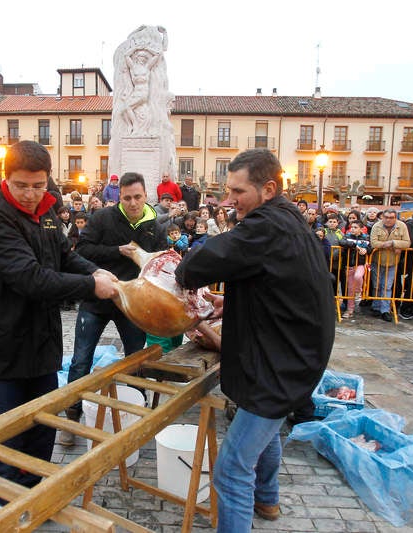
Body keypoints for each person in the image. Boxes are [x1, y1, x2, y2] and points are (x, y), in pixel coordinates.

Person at [174, 149, 334, 530]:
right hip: (293, 353)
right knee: (266, 431)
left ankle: (252, 506)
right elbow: (279, 284)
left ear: (268, 189)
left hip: (282, 363)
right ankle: (267, 499)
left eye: (238, 191)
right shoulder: (287, 218)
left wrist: (180, 270)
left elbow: (201, 263)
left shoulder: (266, 225)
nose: (229, 200)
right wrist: (232, 302)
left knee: (231, 468)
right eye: (227, 190)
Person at [0, 141, 117, 503]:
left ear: (48, 180)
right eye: (21, 185)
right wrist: (92, 286)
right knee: (5, 439)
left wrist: (96, 271)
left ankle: (35, 501)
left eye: (38, 185)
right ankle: (4, 511)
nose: (30, 194)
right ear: (5, 178)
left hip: (38, 344)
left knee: (42, 428)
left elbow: (64, 255)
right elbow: (29, 278)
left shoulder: (46, 212)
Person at [61, 171, 167, 445]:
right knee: (81, 359)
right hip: (96, 300)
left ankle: (136, 414)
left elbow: (160, 263)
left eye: (137, 197)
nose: (132, 203)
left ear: (146, 196)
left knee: (136, 359)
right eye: (127, 198)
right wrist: (117, 250)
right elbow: (82, 250)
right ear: (119, 196)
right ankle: (71, 417)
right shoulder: (102, 218)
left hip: (132, 304)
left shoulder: (155, 226)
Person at [369, 208, 410, 322]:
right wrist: (388, 245)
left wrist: (393, 243)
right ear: (383, 217)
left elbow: (407, 243)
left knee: (387, 286)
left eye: (391, 218)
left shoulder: (402, 226)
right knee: (376, 285)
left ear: (395, 218)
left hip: (393, 262)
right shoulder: (376, 226)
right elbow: (374, 243)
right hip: (377, 260)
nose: (388, 220)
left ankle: (385, 310)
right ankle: (376, 306)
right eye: (386, 217)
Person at [340, 220, 371, 319]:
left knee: (358, 276)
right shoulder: (347, 236)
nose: (352, 229)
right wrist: (354, 245)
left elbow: (371, 247)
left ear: (361, 229)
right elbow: (342, 242)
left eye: (355, 227)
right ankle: (350, 310)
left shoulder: (366, 237)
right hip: (349, 265)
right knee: (350, 289)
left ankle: (359, 290)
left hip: (360, 264)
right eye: (351, 227)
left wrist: (366, 250)